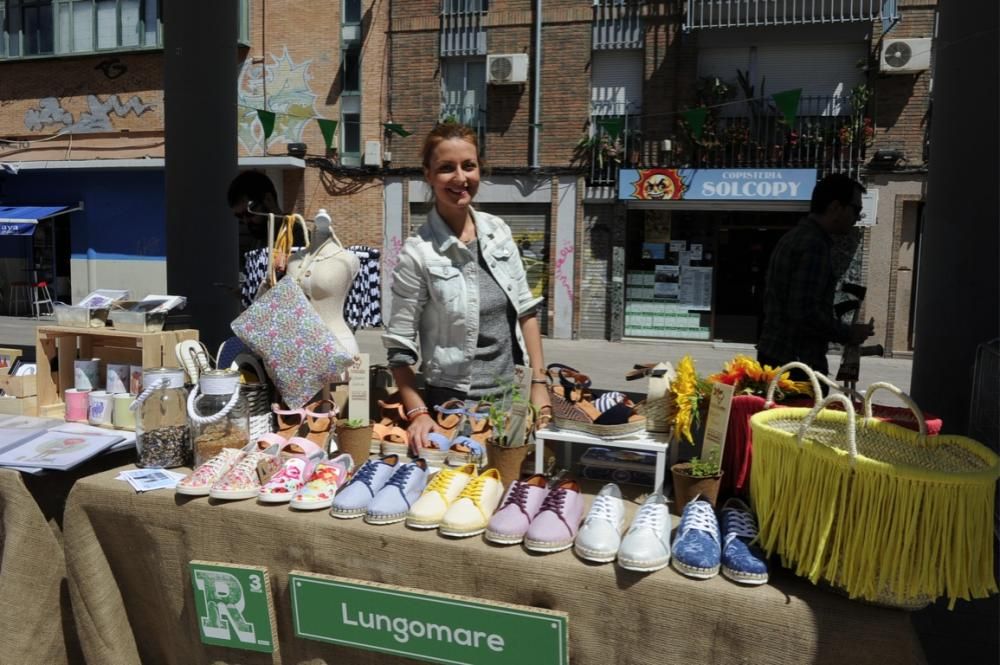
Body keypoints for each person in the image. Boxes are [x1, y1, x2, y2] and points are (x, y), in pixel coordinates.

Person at [383, 122, 551, 452]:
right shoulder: (418, 253)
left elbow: (526, 312)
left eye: (468, 166)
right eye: (447, 168)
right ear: (428, 175)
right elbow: (399, 348)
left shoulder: (498, 231)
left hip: (512, 399)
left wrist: (539, 384)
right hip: (453, 408)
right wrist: (417, 412)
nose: (460, 178)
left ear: (479, 170)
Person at [757, 173, 875, 376]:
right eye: (856, 209)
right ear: (836, 208)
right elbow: (804, 312)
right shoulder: (814, 245)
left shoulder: (793, 237)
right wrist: (849, 333)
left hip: (776, 355)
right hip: (796, 363)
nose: (858, 217)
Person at [285, 209, 361, 357]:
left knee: (341, 381)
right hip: (298, 345)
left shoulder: (348, 260)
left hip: (338, 342)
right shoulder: (294, 260)